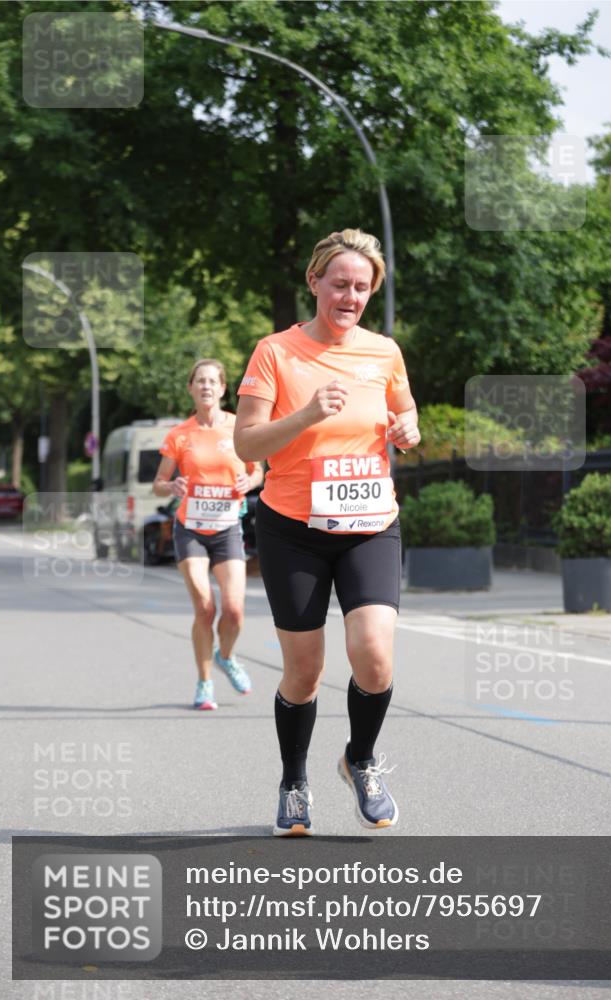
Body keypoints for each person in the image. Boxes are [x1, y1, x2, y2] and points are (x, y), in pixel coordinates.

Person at [234, 229, 420, 836]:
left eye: (362, 287)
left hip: (371, 522)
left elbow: (404, 409)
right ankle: (294, 781)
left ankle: (360, 759)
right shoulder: (274, 352)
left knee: (374, 654)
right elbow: (246, 442)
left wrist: (406, 430)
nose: (350, 296)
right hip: (293, 527)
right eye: (339, 283)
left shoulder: (383, 351)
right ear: (314, 282)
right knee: (305, 670)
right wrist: (309, 412)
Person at [153, 359, 264, 710]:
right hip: (191, 531)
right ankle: (204, 684)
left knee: (233, 610)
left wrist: (251, 480)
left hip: (227, 529)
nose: (205, 386)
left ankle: (226, 657)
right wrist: (171, 485)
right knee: (205, 606)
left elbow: (258, 469)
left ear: (222, 388)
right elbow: (157, 484)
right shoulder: (179, 435)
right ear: (190, 388)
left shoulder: (238, 427)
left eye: (212, 381)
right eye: (199, 381)